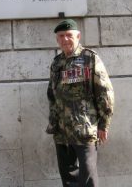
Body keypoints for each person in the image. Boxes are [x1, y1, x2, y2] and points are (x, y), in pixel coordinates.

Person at [46, 19, 114, 187]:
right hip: (62, 130)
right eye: (61, 36)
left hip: (85, 128)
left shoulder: (90, 58)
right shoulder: (56, 63)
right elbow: (52, 96)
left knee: (88, 177)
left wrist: (103, 124)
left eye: (69, 35)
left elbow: (105, 92)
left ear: (78, 36)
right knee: (68, 177)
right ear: (57, 40)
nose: (65, 39)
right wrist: (54, 124)